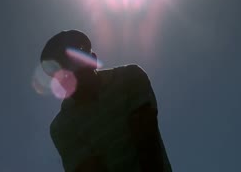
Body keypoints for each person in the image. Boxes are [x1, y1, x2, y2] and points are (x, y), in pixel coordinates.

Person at [41, 30, 172, 172]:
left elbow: (148, 147)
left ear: (93, 60)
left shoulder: (130, 77)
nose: (71, 75)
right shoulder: (61, 127)